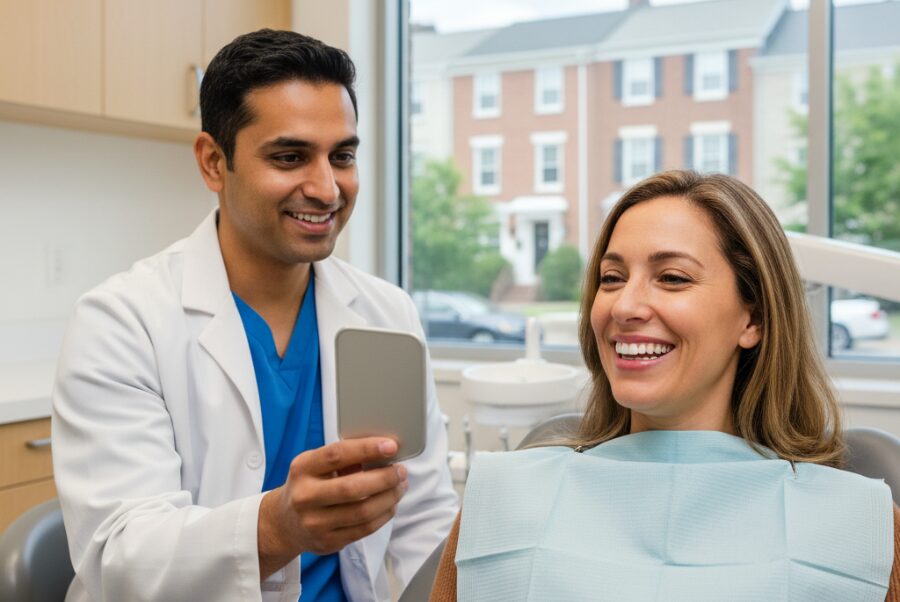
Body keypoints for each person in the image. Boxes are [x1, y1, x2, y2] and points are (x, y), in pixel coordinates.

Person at [52, 29, 458, 602]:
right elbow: (119, 556)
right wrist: (278, 526)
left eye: (342, 156)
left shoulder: (386, 313)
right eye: (290, 157)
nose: (326, 188)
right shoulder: (121, 322)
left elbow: (426, 520)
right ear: (214, 163)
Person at [429, 170, 900, 601]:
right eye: (611, 278)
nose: (625, 305)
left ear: (753, 317)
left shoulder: (864, 532)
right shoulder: (499, 507)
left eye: (672, 278)